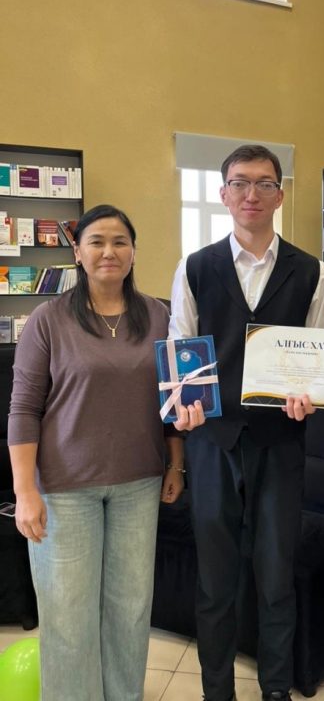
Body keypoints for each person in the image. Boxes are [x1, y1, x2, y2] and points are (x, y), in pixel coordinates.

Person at [169, 144, 324, 701]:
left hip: (281, 442)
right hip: (212, 442)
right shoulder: (195, 267)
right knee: (215, 580)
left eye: (264, 183)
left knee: (276, 576)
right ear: (223, 194)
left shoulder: (312, 272)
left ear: (280, 195)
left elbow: (319, 356)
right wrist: (183, 406)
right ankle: (217, 692)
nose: (251, 194)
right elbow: (179, 347)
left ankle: (276, 690)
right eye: (240, 183)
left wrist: (311, 396)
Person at [8, 204, 187, 701]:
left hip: (139, 484)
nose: (109, 252)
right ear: (78, 253)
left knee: (130, 610)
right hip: (64, 490)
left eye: (120, 242)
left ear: (133, 252)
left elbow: (171, 399)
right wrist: (25, 492)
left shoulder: (159, 315)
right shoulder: (47, 320)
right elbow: (23, 409)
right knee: (68, 616)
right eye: (97, 242)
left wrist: (176, 463)